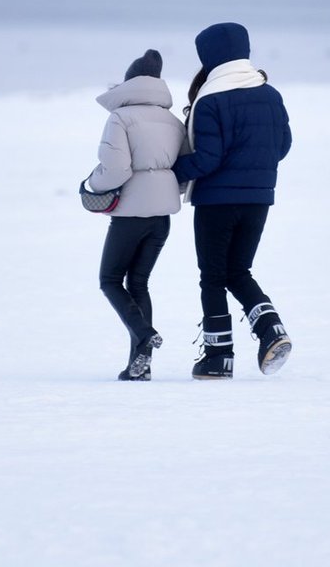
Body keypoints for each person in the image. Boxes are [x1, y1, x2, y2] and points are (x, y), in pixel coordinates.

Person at [172, 22, 292, 380]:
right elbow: (282, 146)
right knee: (238, 271)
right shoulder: (270, 94)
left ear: (208, 56)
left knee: (212, 276)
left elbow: (208, 159)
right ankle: (271, 329)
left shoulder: (210, 98)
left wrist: (170, 170)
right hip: (259, 198)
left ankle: (218, 356)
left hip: (216, 202)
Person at [83, 49, 186, 381]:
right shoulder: (173, 121)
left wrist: (89, 187)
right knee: (138, 282)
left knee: (110, 280)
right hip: (162, 217)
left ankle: (144, 334)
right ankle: (139, 367)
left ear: (129, 84)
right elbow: (182, 171)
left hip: (130, 216)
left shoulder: (121, 118)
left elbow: (115, 170)